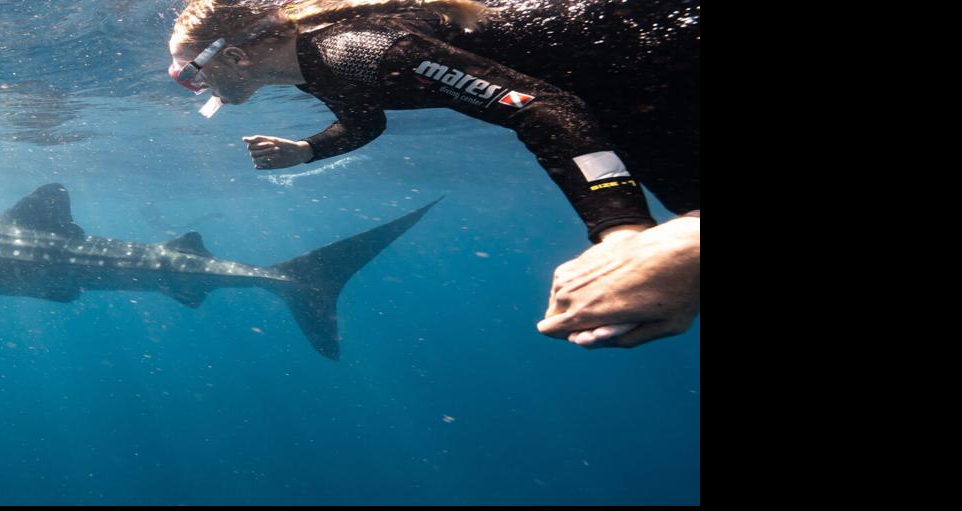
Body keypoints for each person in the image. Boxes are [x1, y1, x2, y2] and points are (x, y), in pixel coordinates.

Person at [167, 0, 701, 349]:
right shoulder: (313, 64)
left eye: (189, 74)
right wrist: (305, 151)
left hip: (657, 63)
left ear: (234, 56)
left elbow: (540, 109)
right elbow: (363, 119)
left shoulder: (357, 50)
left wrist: (622, 232)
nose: (191, 87)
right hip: (627, 94)